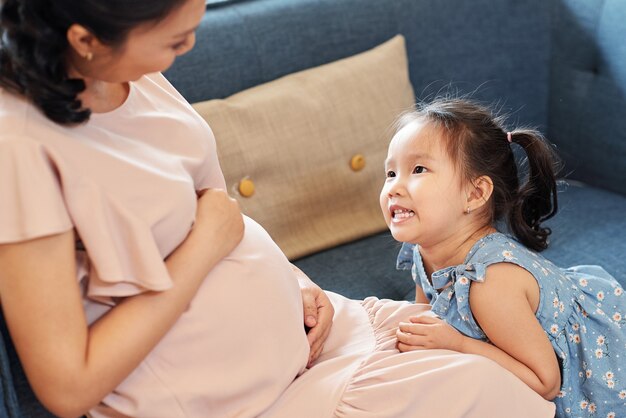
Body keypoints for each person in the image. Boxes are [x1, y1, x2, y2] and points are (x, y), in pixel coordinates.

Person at [0, 1, 557, 417]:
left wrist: (294, 283)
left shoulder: (129, 73)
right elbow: (67, 387)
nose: (188, 46)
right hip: (236, 397)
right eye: (175, 37)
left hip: (313, 336)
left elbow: (212, 213)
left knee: (482, 381)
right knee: (482, 393)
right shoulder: (20, 147)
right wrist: (208, 245)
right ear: (84, 38)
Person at [382, 98, 626, 417]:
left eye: (417, 169)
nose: (393, 188)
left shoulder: (491, 283)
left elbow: (546, 381)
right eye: (390, 172)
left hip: (590, 374)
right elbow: (424, 318)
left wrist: (458, 344)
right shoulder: (423, 249)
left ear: (475, 194)